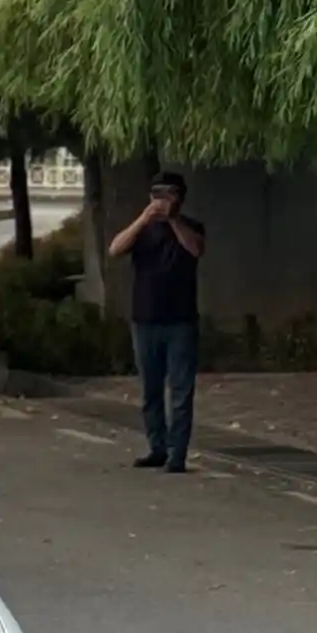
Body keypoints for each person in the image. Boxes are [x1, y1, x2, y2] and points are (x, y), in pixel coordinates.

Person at [107, 170, 206, 474]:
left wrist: (174, 220)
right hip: (144, 319)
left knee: (180, 391)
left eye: (168, 194)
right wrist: (143, 219)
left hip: (180, 321)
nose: (161, 201)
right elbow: (115, 249)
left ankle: (178, 454)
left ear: (180, 197)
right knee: (150, 391)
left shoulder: (191, 227)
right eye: (156, 194)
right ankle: (157, 448)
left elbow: (195, 249)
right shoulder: (143, 231)